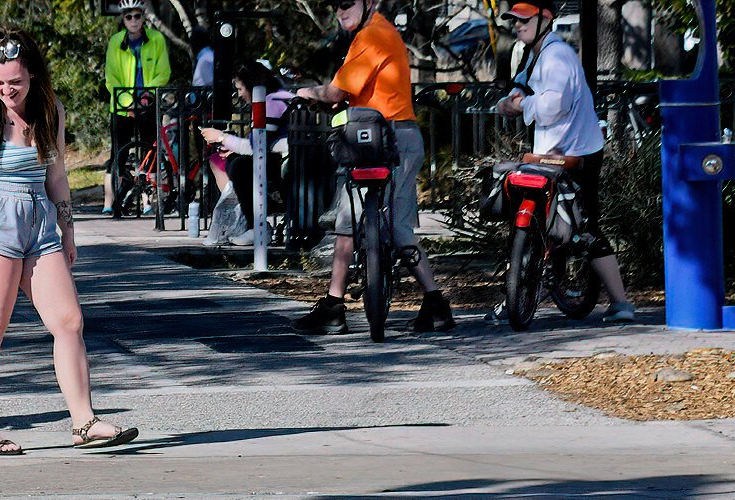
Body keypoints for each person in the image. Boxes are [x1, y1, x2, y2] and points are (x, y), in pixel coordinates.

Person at [0, 27, 140, 455]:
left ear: (33, 74)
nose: (6, 91)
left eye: (14, 82)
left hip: (39, 223)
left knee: (69, 322)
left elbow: (57, 178)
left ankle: (84, 422)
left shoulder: (50, 110)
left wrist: (67, 231)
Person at [291, 0, 456, 335]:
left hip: (391, 138)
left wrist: (307, 91)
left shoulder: (374, 34)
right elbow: (357, 92)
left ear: (371, 2)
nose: (339, 10)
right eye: (334, 6)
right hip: (373, 134)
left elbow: (337, 89)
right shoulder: (369, 34)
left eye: (347, 2)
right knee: (356, 223)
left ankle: (337, 308)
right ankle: (429, 305)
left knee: (373, 225)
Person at [495, 0, 635, 322]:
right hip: (552, 152)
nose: (517, 25)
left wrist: (519, 106)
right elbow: (521, 83)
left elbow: (551, 107)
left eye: (524, 19)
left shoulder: (557, 56)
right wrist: (511, 98)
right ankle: (517, 294)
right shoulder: (537, 53)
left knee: (585, 227)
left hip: (577, 154)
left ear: (546, 19)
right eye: (514, 20)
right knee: (537, 220)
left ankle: (621, 303)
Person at [198, 62, 296, 246]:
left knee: (239, 166)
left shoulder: (271, 102)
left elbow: (256, 146)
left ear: (252, 85)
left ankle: (256, 226)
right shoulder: (278, 97)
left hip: (289, 161)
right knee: (232, 161)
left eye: (241, 88)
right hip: (290, 157)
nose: (240, 95)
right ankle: (252, 220)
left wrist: (221, 137)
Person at [102, 0, 170, 216]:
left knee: (148, 154)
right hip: (122, 107)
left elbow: (163, 72)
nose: (133, 21)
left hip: (147, 105)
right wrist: (126, 102)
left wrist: (146, 96)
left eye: (137, 16)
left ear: (143, 17)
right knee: (118, 155)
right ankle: (109, 202)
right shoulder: (116, 41)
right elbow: (110, 76)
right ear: (123, 19)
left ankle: (147, 200)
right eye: (128, 17)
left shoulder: (156, 39)